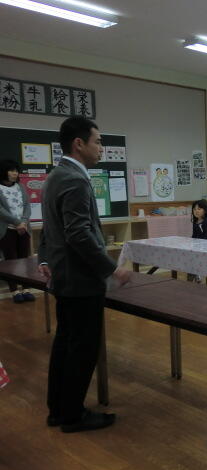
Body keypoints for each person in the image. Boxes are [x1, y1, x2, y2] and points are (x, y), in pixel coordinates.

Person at [38, 116, 131, 433]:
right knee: (82, 348)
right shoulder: (75, 180)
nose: (102, 147)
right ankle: (73, 415)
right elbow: (78, 234)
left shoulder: (55, 176)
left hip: (64, 277)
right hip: (81, 280)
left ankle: (58, 410)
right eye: (98, 141)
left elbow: (49, 227)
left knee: (65, 343)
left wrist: (43, 257)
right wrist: (112, 267)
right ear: (79, 144)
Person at [0, 159, 34, 303]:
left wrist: (23, 222)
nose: (15, 173)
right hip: (7, 229)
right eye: (12, 170)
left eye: (16, 171)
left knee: (24, 259)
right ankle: (14, 290)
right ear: (4, 172)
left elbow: (27, 206)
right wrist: (17, 222)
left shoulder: (21, 187)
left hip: (24, 228)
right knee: (11, 261)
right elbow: (0, 210)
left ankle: (26, 288)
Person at [188, 200, 207, 283]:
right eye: (194, 209)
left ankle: (197, 275)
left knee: (194, 259)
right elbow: (194, 236)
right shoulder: (195, 222)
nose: (196, 211)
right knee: (189, 256)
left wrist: (199, 246)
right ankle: (194, 276)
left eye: (199, 209)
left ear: (205, 210)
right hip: (199, 247)